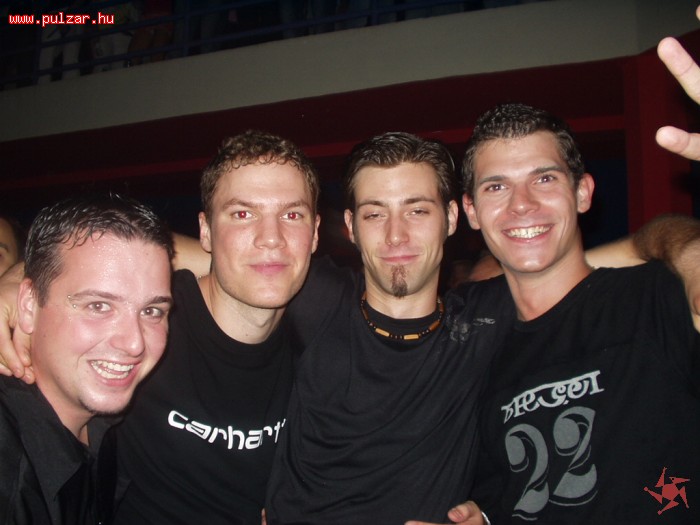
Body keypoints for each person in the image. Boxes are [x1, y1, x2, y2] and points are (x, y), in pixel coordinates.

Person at [460, 102, 700, 524]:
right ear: (471, 212)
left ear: (583, 193)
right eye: (496, 187)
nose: (521, 204)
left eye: (545, 178)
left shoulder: (660, 294)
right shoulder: (476, 356)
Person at [264, 131, 517, 524]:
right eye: (375, 214)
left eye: (417, 211)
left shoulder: (483, 320)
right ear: (351, 226)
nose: (396, 235)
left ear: (451, 218)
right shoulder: (316, 299)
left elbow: (599, 270)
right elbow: (217, 262)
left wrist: (485, 517)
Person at [111, 130, 321, 523]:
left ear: (315, 234)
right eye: (243, 214)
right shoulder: (149, 318)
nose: (272, 238)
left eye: (292, 215)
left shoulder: (321, 341)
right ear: (205, 231)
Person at [0, 194, 174, 524]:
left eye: (152, 311)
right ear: (28, 306)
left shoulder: (102, 425)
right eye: (98, 306)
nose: (134, 343)